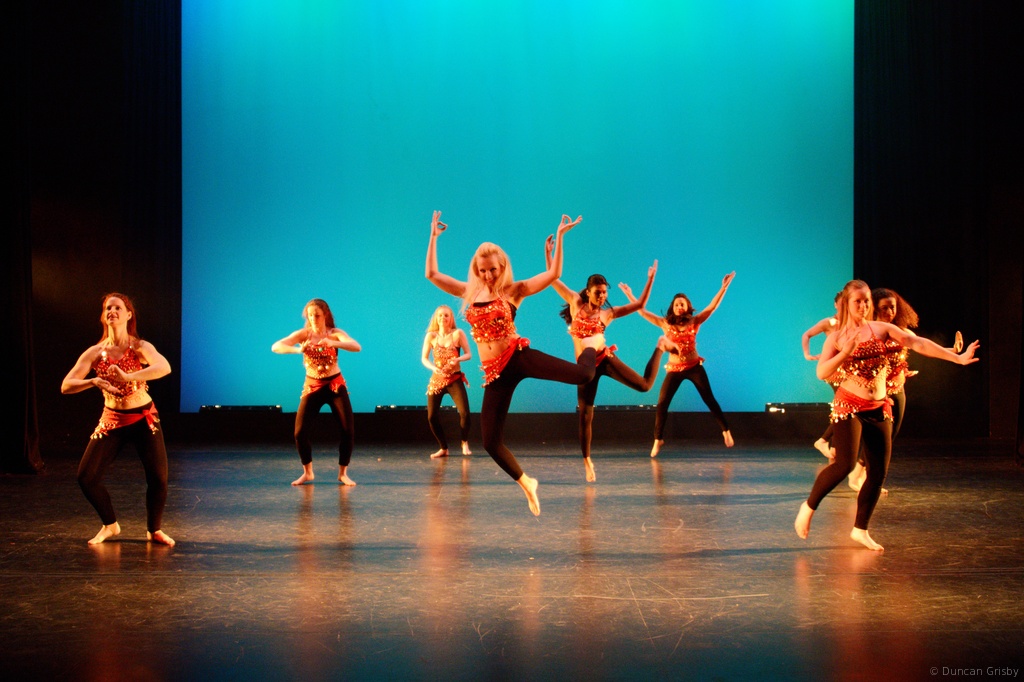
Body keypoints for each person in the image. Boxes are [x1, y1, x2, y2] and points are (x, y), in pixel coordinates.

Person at [425, 210, 597, 515]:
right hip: (495, 374)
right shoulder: (469, 292)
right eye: (482, 271)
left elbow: (553, 274)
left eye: (492, 269)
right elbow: (432, 275)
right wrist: (433, 237)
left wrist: (559, 237)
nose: (488, 275)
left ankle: (592, 345)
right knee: (490, 442)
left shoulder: (513, 291)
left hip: (518, 357)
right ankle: (527, 483)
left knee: (584, 375)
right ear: (476, 270)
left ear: (501, 266)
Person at [794, 280, 979, 551]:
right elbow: (822, 372)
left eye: (866, 301)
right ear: (847, 304)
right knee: (844, 464)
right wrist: (844, 353)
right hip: (849, 405)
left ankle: (860, 529)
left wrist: (957, 358)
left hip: (878, 406)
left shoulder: (881, 329)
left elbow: (916, 342)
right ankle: (808, 506)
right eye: (858, 301)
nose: (863, 306)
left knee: (878, 472)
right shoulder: (837, 336)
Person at [61, 293, 175, 546]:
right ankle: (110, 525)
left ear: (128, 314)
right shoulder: (95, 352)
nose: (112, 311)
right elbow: (66, 385)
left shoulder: (139, 346)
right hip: (113, 420)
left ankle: (154, 529)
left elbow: (164, 367)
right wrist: (92, 381)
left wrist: (128, 377)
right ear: (104, 316)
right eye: (107, 308)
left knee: (158, 479)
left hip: (144, 418)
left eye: (117, 307)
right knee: (86, 477)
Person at [546, 246, 668, 481]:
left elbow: (639, 304)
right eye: (598, 292)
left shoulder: (607, 314)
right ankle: (587, 461)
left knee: (644, 386)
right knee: (585, 415)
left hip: (604, 360)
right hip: (585, 368)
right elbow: (552, 278)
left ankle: (661, 346)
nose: (602, 296)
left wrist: (650, 279)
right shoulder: (575, 303)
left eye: (604, 292)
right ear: (588, 292)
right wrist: (549, 254)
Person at [845, 287, 964, 491]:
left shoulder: (901, 332)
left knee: (890, 436)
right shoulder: (871, 332)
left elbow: (922, 346)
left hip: (898, 390)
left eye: (892, 307)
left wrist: (954, 352)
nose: (890, 312)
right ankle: (862, 477)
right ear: (874, 309)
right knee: (877, 438)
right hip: (877, 394)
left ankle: (861, 474)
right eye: (884, 308)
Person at [626, 272, 737, 457]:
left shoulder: (694, 321)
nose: (679, 306)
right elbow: (642, 312)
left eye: (682, 304)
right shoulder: (665, 324)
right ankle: (658, 439)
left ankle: (726, 430)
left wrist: (724, 287)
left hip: (694, 367)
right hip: (675, 369)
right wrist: (630, 295)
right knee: (662, 403)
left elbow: (712, 307)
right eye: (677, 304)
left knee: (709, 398)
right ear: (673, 307)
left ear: (687, 307)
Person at [272, 298, 361, 486]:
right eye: (310, 315)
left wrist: (333, 342)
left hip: (335, 386)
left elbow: (356, 347)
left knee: (347, 430)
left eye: (317, 315)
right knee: (299, 432)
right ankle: (308, 472)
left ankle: (343, 473)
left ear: (325, 315)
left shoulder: (335, 333)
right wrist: (298, 350)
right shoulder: (304, 334)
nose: (313, 319)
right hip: (313, 386)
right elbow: (276, 346)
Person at [421, 304, 473, 459]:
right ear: (436, 319)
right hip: (437, 380)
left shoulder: (458, 334)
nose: (443, 318)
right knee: (431, 417)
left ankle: (464, 442)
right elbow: (424, 358)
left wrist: (457, 359)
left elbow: (468, 354)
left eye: (446, 315)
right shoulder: (431, 336)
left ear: (451, 319)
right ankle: (443, 448)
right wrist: (433, 368)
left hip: (454, 378)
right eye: (440, 315)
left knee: (465, 413)